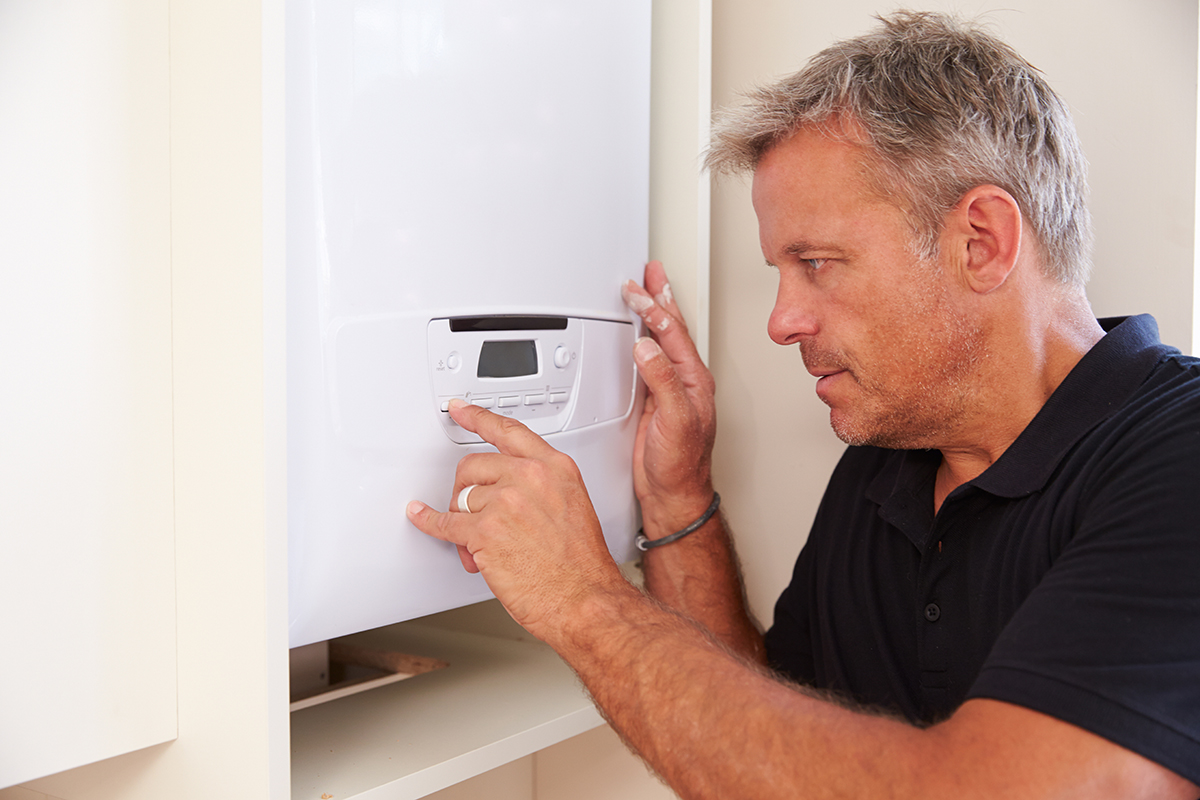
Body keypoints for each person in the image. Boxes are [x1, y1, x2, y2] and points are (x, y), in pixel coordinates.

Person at [407, 10, 1200, 798]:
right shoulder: (883, 463)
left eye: (817, 262)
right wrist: (678, 496)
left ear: (982, 241)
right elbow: (771, 750)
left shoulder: (1179, 453)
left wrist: (583, 601)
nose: (781, 321)